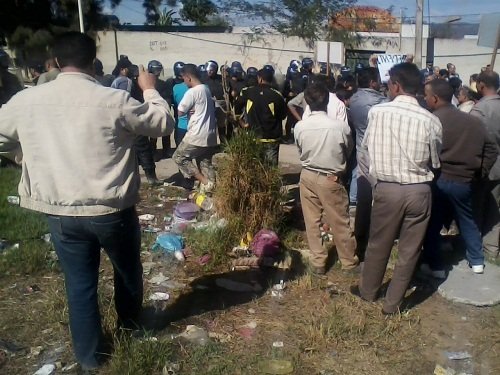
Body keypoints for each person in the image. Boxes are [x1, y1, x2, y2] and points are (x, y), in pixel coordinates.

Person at [0, 32, 174, 371]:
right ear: (92, 60)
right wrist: (149, 87)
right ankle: (130, 329)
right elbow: (162, 123)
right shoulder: (113, 99)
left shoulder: (26, 100)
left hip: (61, 212)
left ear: (54, 61)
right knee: (127, 273)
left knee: (79, 285)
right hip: (111, 209)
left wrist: (23, 155)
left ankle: (90, 359)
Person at [351, 63, 442, 315]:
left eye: (389, 83)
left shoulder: (378, 113)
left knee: (379, 242)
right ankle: (392, 304)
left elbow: (365, 153)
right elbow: (435, 162)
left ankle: (368, 292)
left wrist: (376, 181)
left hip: (387, 189)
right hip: (419, 190)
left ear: (396, 86)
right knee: (410, 250)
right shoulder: (431, 120)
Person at [422, 79, 497, 277]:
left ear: (435, 98)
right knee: (468, 220)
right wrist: (480, 172)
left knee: (434, 223)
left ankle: (435, 266)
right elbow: (491, 149)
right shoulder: (473, 121)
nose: (424, 99)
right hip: (465, 180)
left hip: (439, 179)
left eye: (426, 96)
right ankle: (477, 261)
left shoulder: (432, 120)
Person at [294, 82, 359, 276]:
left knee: (311, 221)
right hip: (330, 177)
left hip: (306, 175)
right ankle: (348, 263)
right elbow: (347, 150)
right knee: (340, 221)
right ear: (327, 100)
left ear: (307, 102)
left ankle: (318, 262)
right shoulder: (340, 127)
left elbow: (300, 150)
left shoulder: (300, 126)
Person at [349, 67, 388, 260]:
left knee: (364, 196)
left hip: (362, 150)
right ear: (373, 82)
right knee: (381, 195)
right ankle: (378, 236)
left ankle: (361, 233)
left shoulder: (354, 98)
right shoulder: (380, 102)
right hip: (378, 151)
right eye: (379, 79)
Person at [172, 64, 217, 192]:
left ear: (188, 77)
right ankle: (211, 188)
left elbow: (180, 111)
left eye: (184, 78)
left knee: (179, 157)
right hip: (209, 134)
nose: (184, 81)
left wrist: (188, 110)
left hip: (196, 134)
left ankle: (203, 181)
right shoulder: (205, 89)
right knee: (204, 162)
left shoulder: (192, 92)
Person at [470, 70, 500, 258]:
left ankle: (473, 248)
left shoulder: (480, 109)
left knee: (476, 207)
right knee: (495, 209)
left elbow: (471, 140)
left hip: (483, 166)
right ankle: (491, 249)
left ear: (481, 86)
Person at [235, 68, 286, 165]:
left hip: (252, 137)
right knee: (270, 169)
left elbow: (236, 108)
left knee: (253, 167)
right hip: (272, 138)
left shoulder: (247, 92)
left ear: (260, 79)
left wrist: (242, 123)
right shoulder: (277, 95)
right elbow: (283, 115)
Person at [147, 59, 171, 160]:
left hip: (159, 110)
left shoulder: (162, 83)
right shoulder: (148, 84)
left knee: (163, 132)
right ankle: (155, 151)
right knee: (155, 133)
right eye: (157, 70)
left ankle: (164, 151)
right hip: (153, 110)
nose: (158, 72)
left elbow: (167, 98)